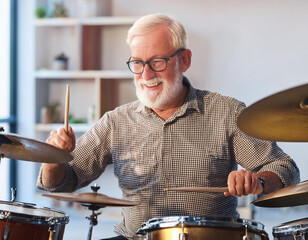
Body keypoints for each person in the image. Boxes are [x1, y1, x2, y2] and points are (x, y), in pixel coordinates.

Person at [37, 14, 300, 240]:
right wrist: (52, 158)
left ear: (184, 60)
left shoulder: (226, 112)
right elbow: (61, 183)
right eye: (137, 63)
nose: (146, 75)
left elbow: (285, 168)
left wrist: (258, 181)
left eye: (157, 62)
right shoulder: (115, 121)